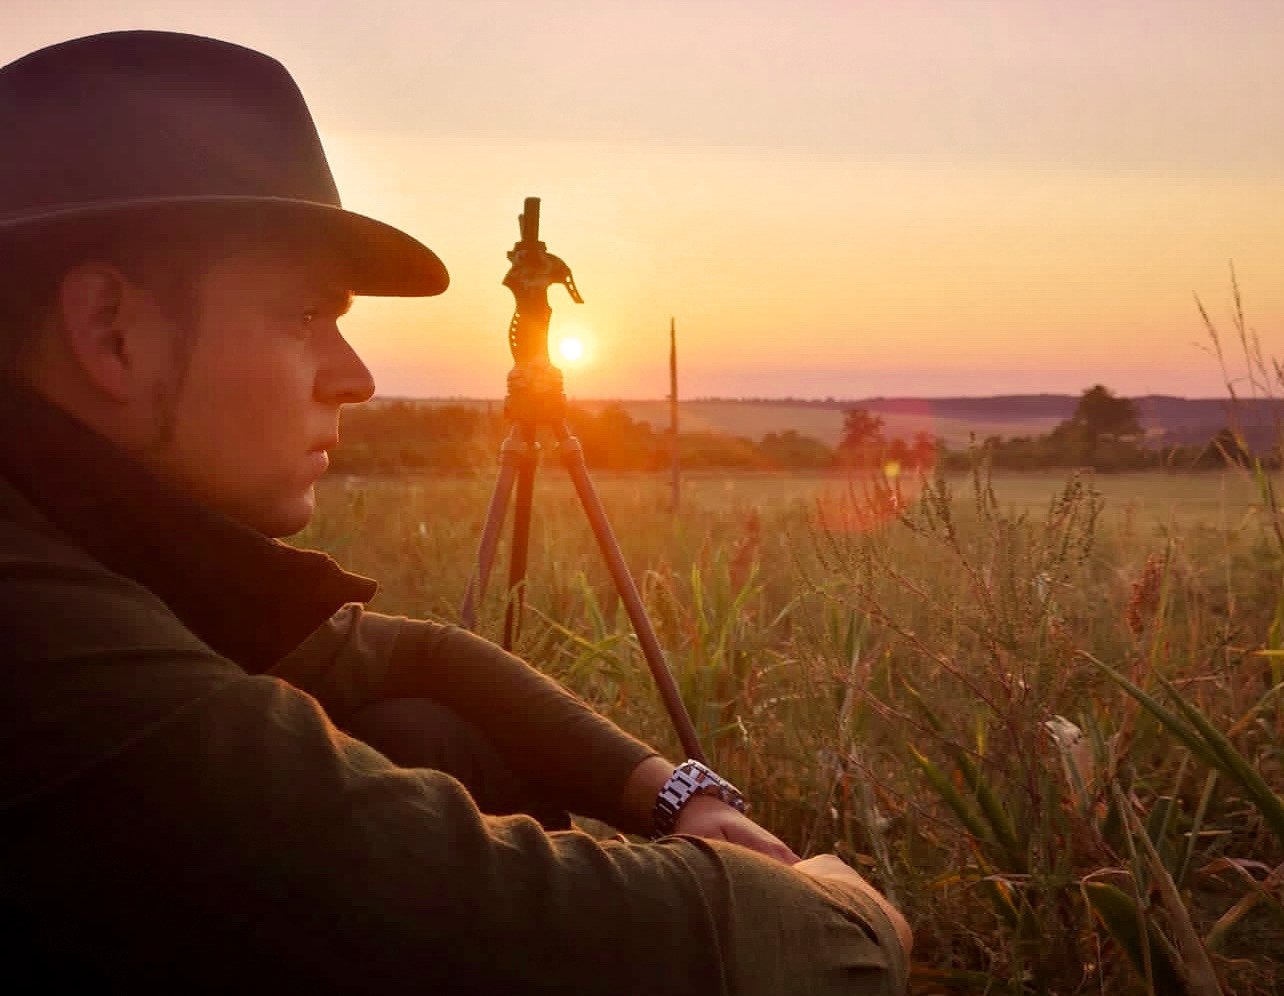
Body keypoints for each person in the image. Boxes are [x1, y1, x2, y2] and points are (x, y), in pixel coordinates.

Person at [0, 30, 912, 993]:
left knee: (422, 724)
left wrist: (674, 794)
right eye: (303, 315)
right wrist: (849, 912)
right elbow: (498, 907)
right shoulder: (36, 632)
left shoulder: (87, 533)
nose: (355, 378)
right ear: (112, 332)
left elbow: (406, 650)